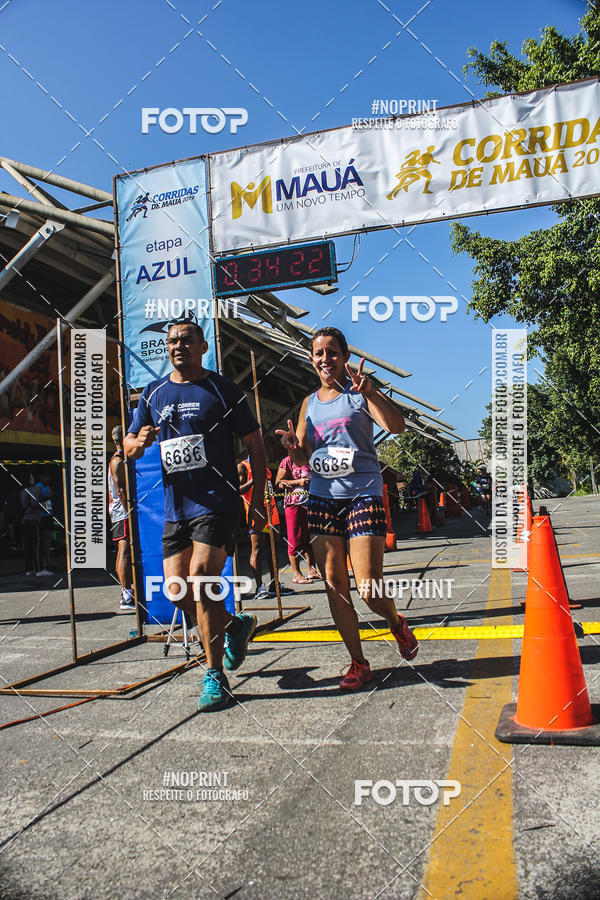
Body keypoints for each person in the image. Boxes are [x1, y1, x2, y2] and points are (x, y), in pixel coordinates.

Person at [124, 315, 267, 712]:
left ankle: (214, 676)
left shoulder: (222, 389)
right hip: (176, 509)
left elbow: (255, 443)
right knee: (177, 590)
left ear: (203, 347)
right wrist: (139, 442)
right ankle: (234, 625)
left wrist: (256, 496)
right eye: (172, 341)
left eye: (187, 340)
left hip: (216, 504)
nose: (177, 346)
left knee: (202, 579)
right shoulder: (152, 394)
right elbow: (129, 444)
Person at [276, 326, 418, 691]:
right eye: (319, 353)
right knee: (335, 585)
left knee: (368, 586)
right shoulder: (309, 403)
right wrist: (293, 448)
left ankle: (396, 622)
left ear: (344, 357)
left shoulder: (361, 393)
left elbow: (397, 426)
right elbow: (305, 456)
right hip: (323, 498)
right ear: (312, 359)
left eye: (333, 352)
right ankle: (358, 662)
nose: (326, 359)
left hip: (363, 494)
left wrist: (371, 393)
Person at [238, 457, 294, 599]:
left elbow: (269, 487)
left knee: (274, 549)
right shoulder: (243, 467)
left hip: (272, 512)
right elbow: (239, 490)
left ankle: (275, 584)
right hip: (257, 514)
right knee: (257, 549)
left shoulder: (264, 465)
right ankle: (259, 587)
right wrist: (254, 480)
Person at [275, 453, 320, 583]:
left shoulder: (312, 458)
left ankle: (312, 569)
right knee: (295, 538)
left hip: (313, 503)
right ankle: (296, 573)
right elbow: (278, 483)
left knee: (310, 537)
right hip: (294, 504)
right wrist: (297, 482)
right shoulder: (287, 461)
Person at [108, 425, 135, 611]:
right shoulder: (117, 461)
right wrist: (130, 512)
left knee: (123, 551)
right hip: (121, 512)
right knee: (124, 550)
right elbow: (121, 490)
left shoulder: (119, 459)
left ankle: (126, 591)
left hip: (118, 511)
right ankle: (126, 594)